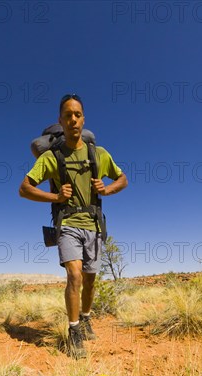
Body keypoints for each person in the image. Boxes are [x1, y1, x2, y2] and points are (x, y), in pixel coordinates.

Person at [19, 94, 128, 358]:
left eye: (77, 114)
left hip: (93, 224)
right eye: (67, 115)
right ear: (61, 120)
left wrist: (109, 188)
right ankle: (74, 331)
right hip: (67, 223)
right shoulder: (52, 158)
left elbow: (123, 178)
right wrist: (55, 197)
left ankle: (86, 316)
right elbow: (24, 188)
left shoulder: (98, 154)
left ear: (83, 119)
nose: (73, 119)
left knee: (90, 280)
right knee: (75, 276)